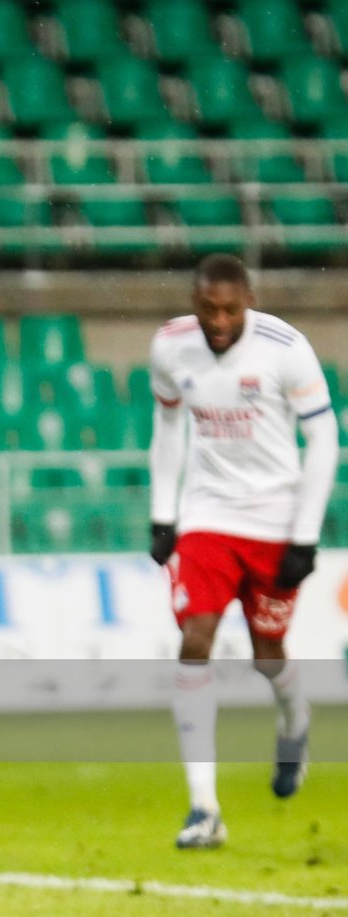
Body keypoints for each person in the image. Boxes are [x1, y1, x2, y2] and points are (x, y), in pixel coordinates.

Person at [147, 254, 337, 849]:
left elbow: (325, 437)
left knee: (267, 654)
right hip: (209, 517)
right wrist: (163, 513)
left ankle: (295, 721)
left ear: (249, 301)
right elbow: (168, 426)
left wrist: (305, 533)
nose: (220, 321)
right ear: (196, 303)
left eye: (231, 309)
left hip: (277, 519)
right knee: (195, 641)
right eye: (209, 309)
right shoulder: (171, 346)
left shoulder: (286, 347)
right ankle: (204, 808)